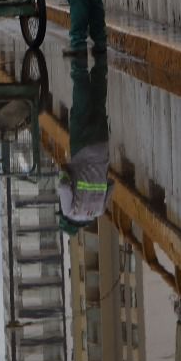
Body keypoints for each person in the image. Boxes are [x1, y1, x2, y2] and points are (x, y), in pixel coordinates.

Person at [56, 52, 110, 236]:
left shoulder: (99, 212)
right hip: (82, 147)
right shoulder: (68, 210)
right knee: (80, 105)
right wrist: (64, 173)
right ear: (67, 220)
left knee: (99, 103)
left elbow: (110, 184)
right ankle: (79, 60)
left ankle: (101, 55)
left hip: (102, 146)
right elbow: (64, 186)